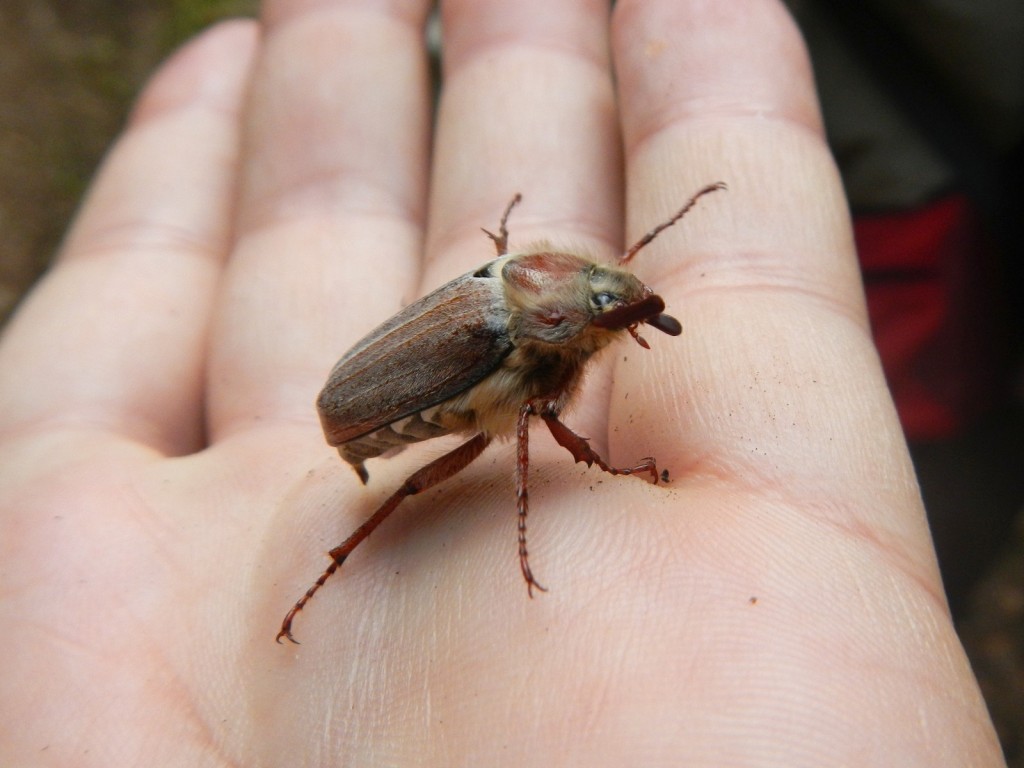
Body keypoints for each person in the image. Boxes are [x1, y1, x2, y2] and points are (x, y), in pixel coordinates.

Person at [0, 1, 1005, 764]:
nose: (627, 312)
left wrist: (626, 293)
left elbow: (594, 293)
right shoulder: (523, 342)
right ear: (563, 311)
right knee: (459, 460)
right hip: (373, 409)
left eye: (620, 301)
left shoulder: (535, 286)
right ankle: (335, 562)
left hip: (447, 340)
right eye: (612, 307)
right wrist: (541, 500)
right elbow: (530, 429)